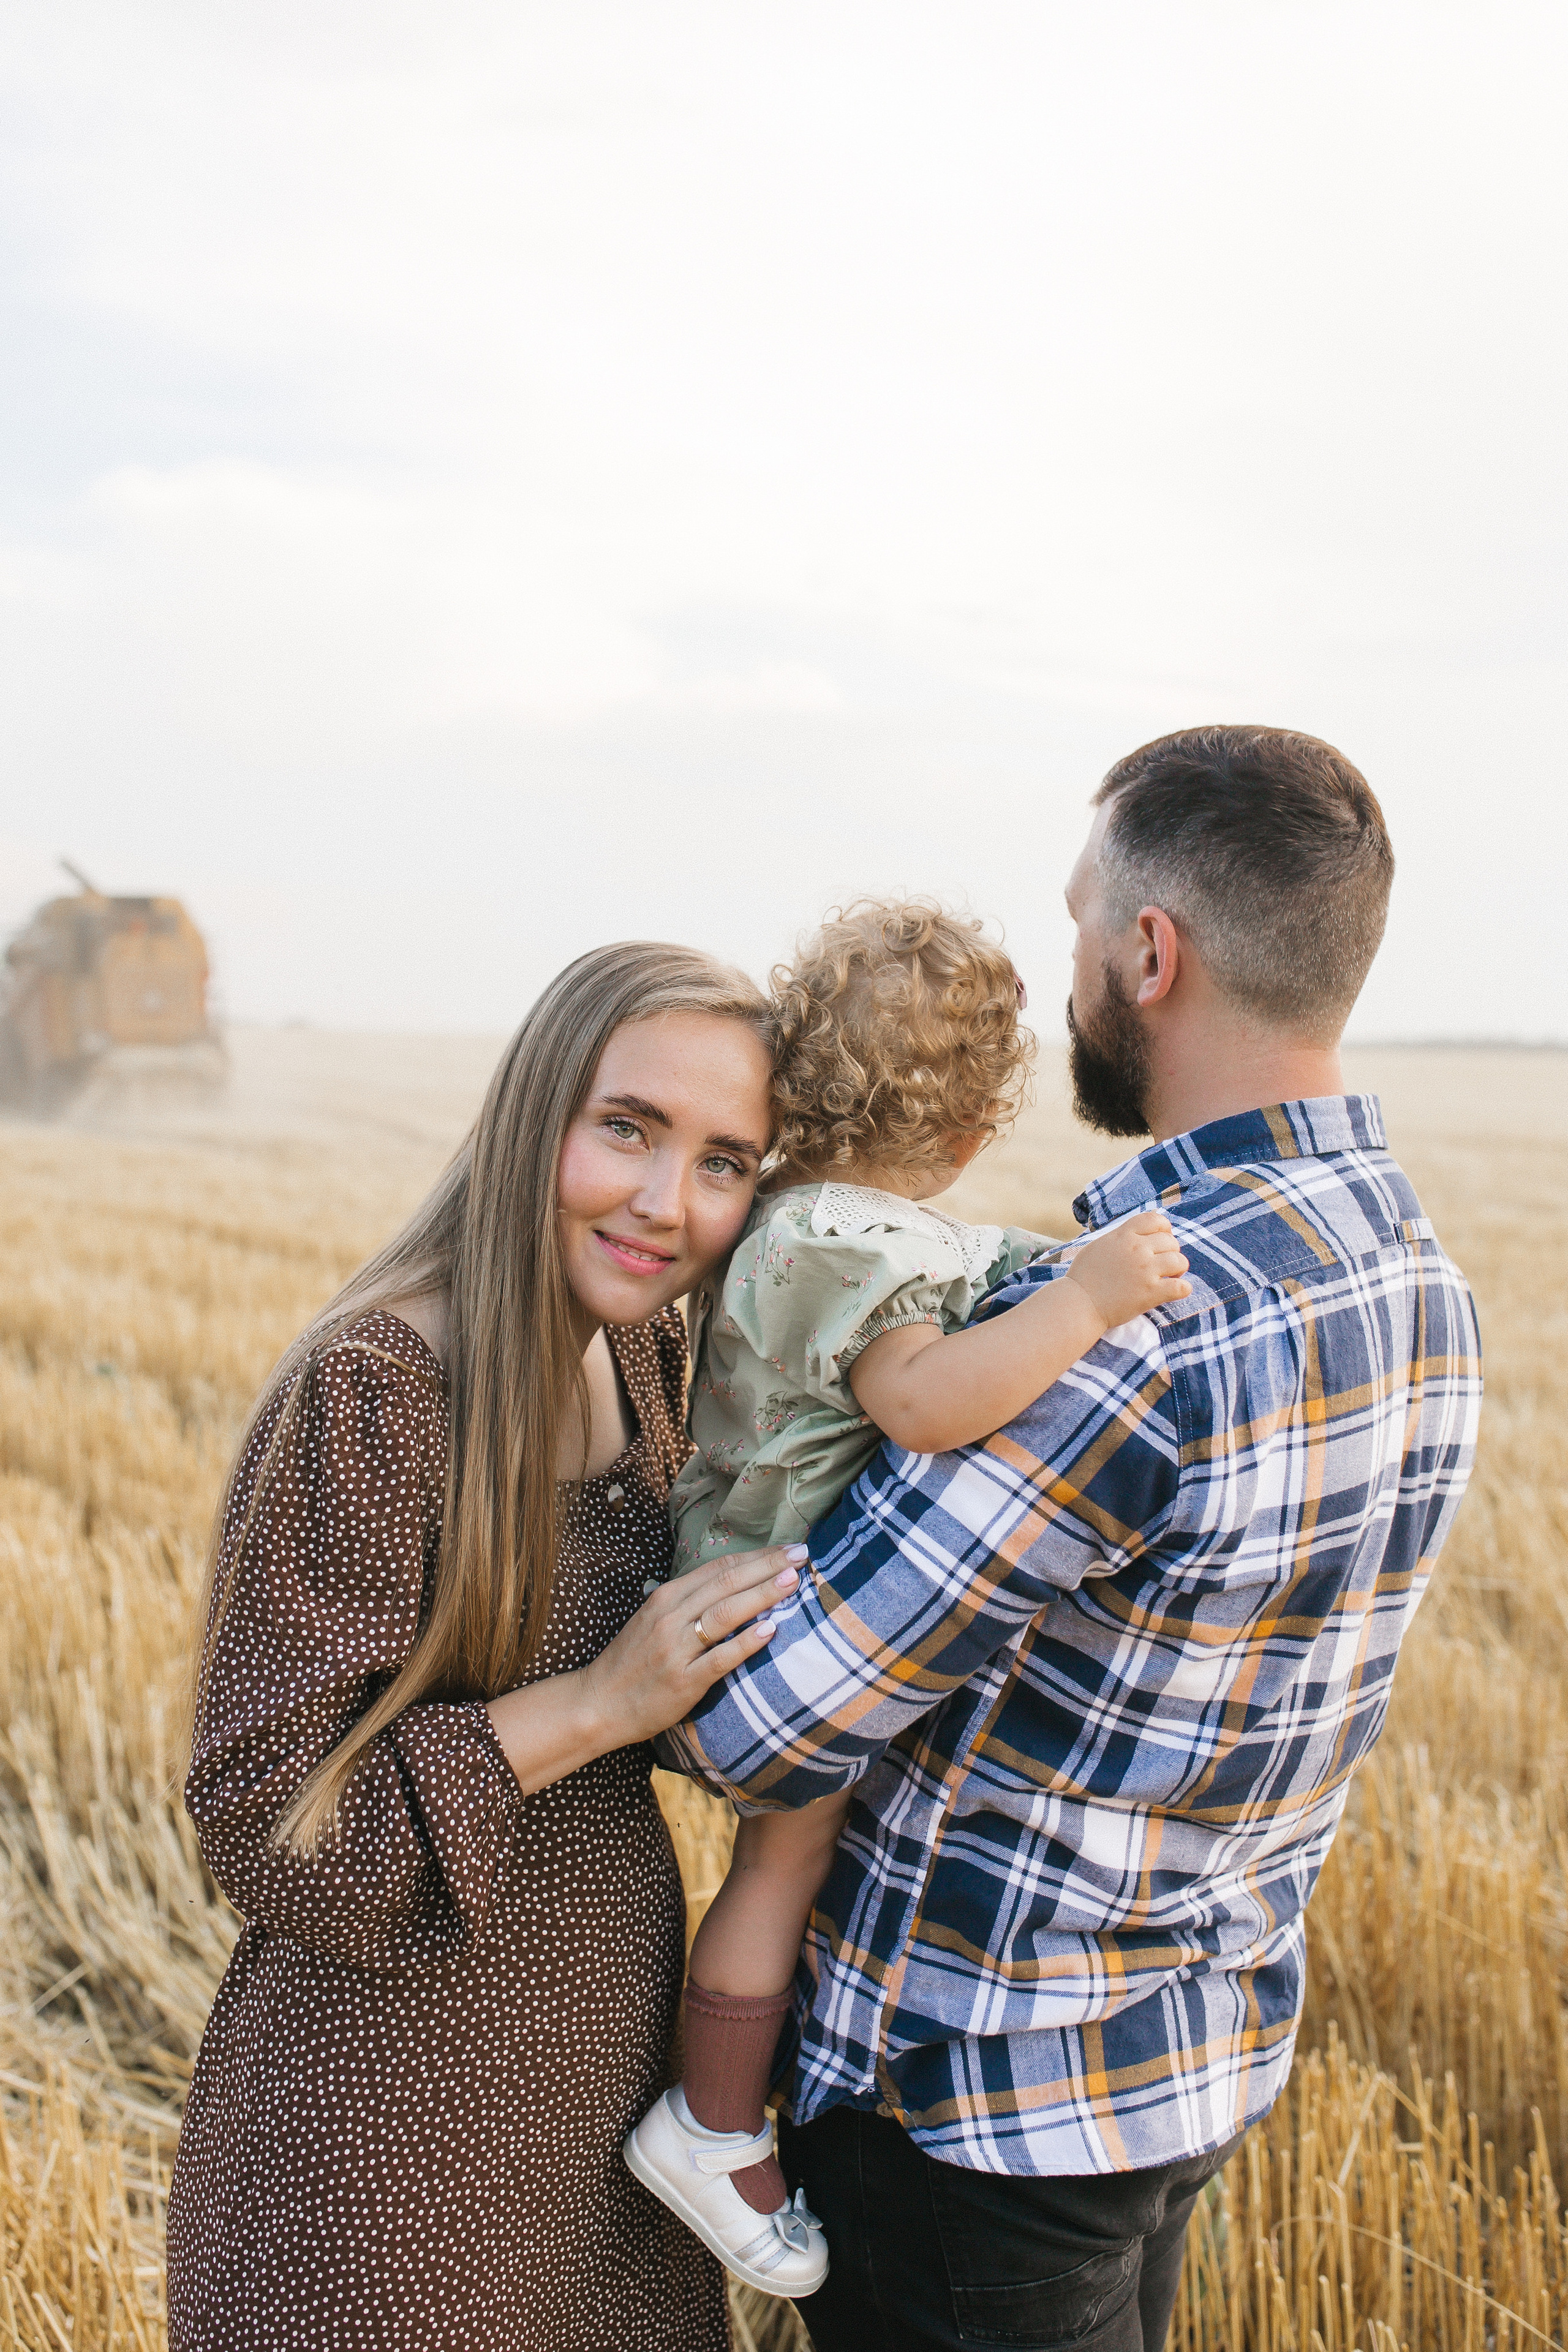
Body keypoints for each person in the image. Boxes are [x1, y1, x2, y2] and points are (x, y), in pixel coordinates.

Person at [663, 727, 1484, 2352]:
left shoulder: (1121, 1336)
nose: (1073, 973)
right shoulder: (1420, 1285)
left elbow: (767, 1729)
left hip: (971, 2120)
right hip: (1180, 2078)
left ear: (1149, 953)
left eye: (1078, 924)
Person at [167, 943, 807, 2352]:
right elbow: (267, 1831)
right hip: (388, 2147)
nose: (664, 1203)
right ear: (536, 1111)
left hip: (592, 2115)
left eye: (723, 1161)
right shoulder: (381, 1389)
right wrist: (595, 1703)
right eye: (626, 1128)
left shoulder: (635, 1353)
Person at [625, 902, 1192, 2297]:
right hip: (753, 1611)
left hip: (739, 1570)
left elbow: (958, 1279)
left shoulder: (812, 1216)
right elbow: (927, 1403)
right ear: (961, 1133)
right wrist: (1089, 1304)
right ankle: (708, 2129)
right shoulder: (848, 1248)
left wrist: (1028, 1270)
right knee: (784, 1864)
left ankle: (732, 2102)